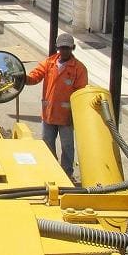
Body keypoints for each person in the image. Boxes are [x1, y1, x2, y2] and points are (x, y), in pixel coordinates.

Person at [25, 32, 88, 178]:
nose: (64, 51)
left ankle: (66, 174)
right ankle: (50, 171)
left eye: (67, 48)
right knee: (47, 144)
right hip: (49, 114)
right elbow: (35, 77)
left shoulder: (79, 69)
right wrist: (24, 78)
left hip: (66, 117)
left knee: (67, 147)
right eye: (61, 48)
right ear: (57, 48)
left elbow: (80, 93)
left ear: (73, 48)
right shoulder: (49, 63)